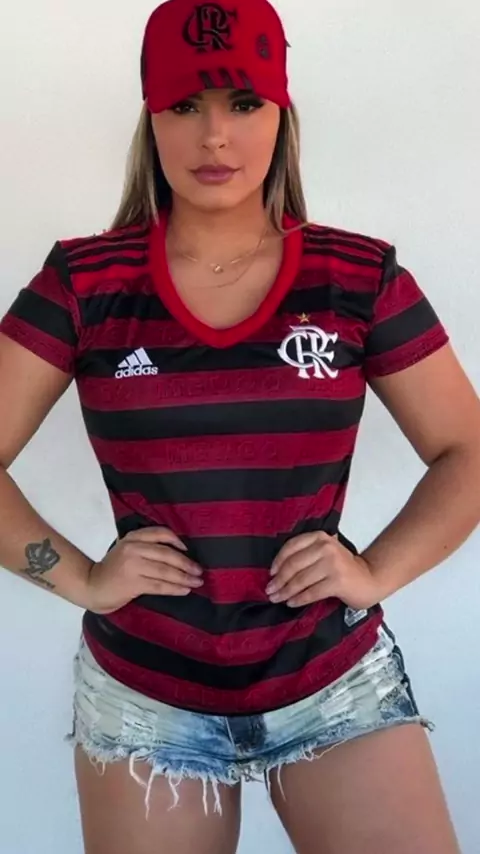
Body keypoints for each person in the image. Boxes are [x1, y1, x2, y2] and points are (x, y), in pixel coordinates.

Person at [1, 0, 479, 851]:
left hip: (331, 680)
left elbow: (466, 450)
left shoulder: (357, 276)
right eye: (185, 105)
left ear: (281, 114)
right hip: (147, 692)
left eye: (243, 103)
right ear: (151, 118)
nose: (215, 136)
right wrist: (81, 579)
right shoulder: (84, 283)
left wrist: (375, 571)